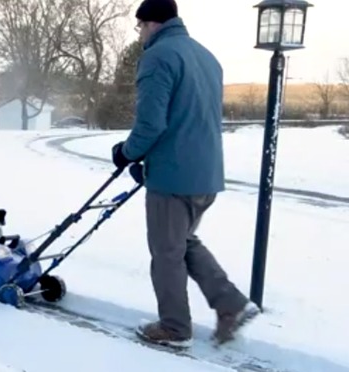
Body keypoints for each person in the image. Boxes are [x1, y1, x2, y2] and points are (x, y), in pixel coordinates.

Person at [111, 0, 259, 348]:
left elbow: (151, 123)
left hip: (174, 176)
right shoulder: (206, 57)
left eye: (140, 27)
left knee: (166, 252)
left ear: (150, 24)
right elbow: (187, 117)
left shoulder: (158, 57)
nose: (140, 35)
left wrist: (127, 153)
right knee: (181, 242)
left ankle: (174, 328)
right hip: (205, 173)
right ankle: (231, 304)